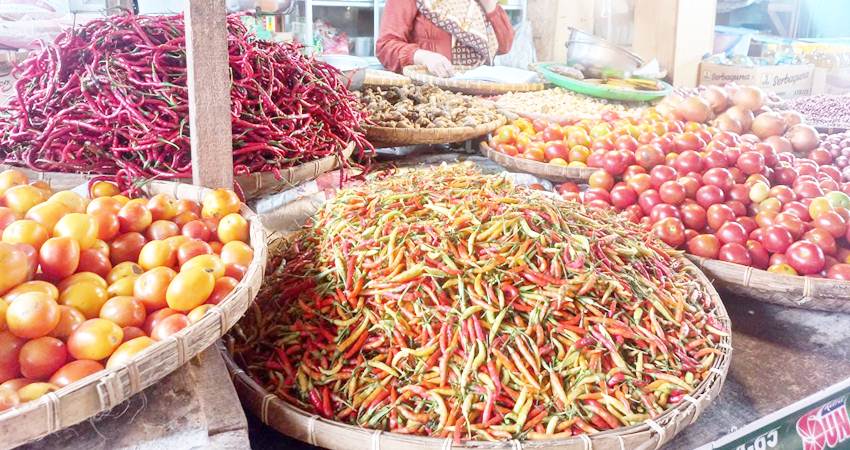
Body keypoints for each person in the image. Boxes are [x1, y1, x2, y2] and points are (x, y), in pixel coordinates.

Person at [376, 0, 514, 77]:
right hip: (426, 94)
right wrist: (424, 57)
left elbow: (504, 46)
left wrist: (490, 6)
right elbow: (385, 46)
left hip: (476, 94)